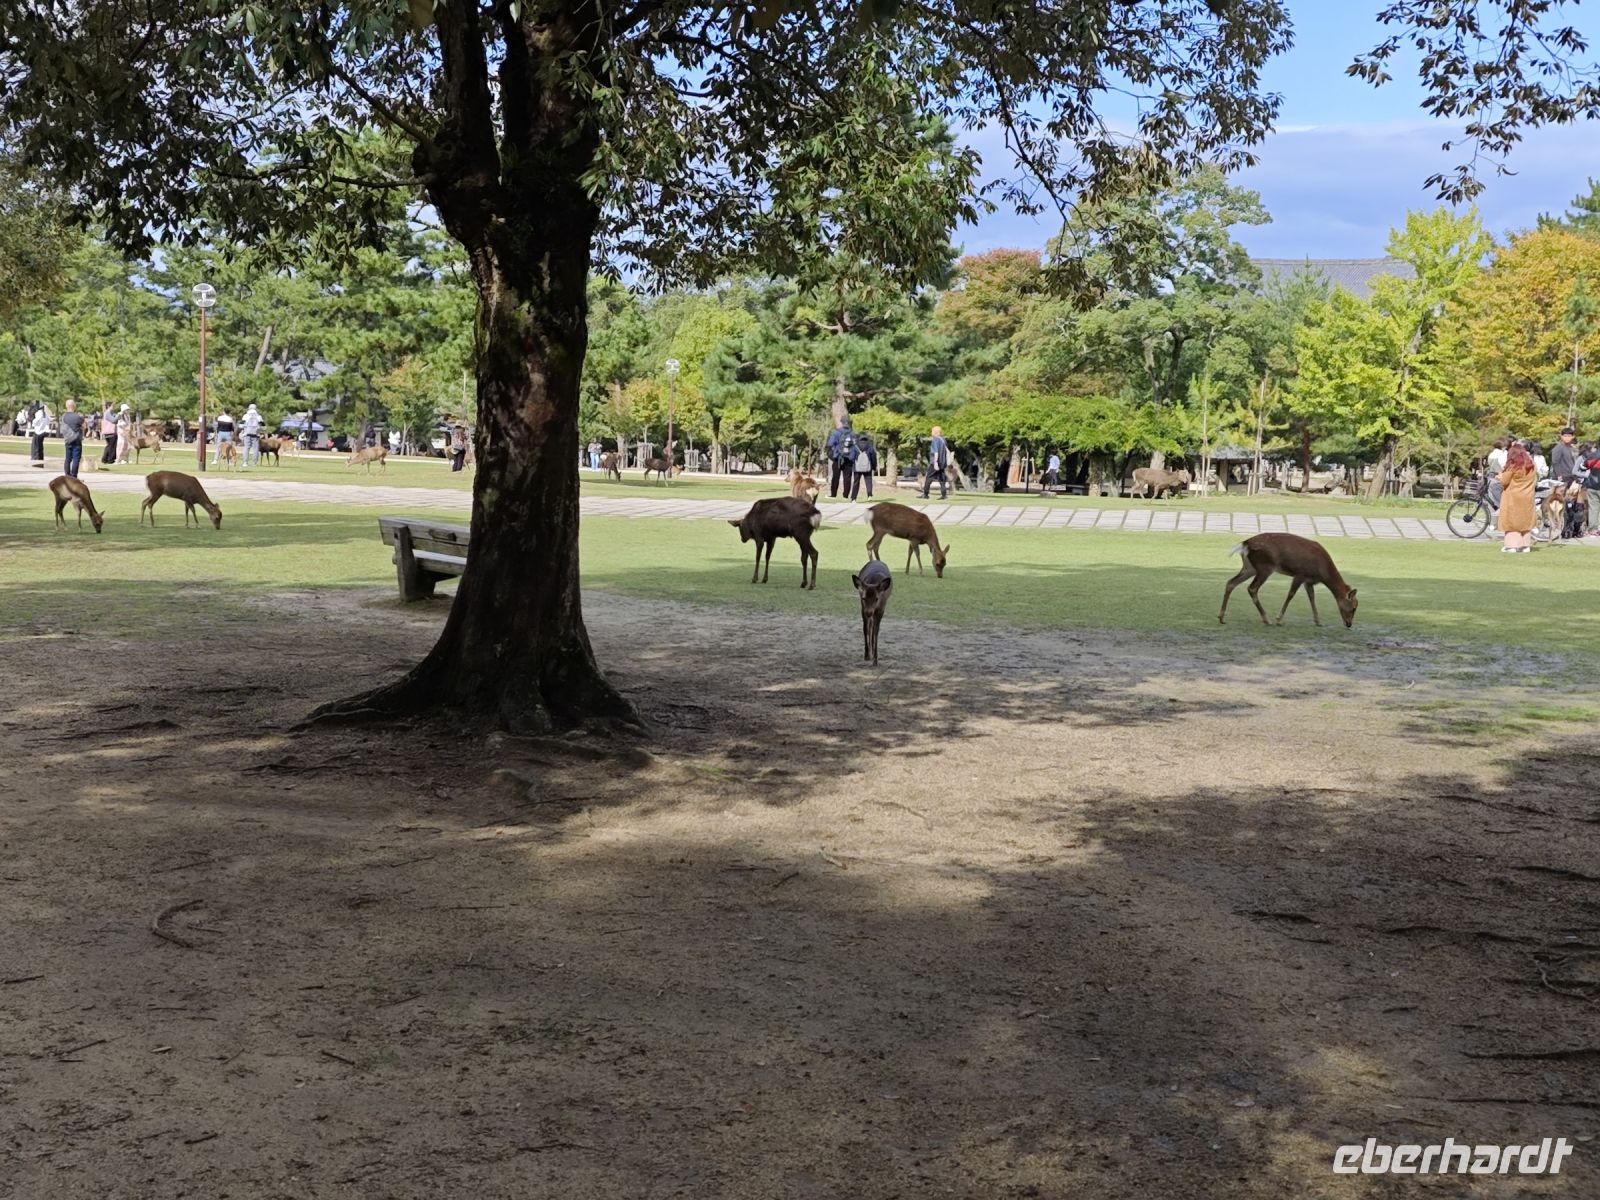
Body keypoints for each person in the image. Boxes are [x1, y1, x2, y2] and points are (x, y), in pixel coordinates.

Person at [1498, 442, 1537, 553]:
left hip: (1513, 497)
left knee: (1512, 522)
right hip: (1527, 497)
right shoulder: (1532, 465)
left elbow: (1504, 481)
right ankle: (1525, 545)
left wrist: (1499, 476)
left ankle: (1512, 545)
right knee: (1525, 522)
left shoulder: (1513, 466)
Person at [824, 416, 854, 499]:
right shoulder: (852, 433)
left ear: (842, 422)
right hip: (849, 458)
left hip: (838, 458)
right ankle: (846, 495)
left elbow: (830, 444)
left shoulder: (836, 432)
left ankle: (833, 494)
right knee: (847, 477)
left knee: (835, 476)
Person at [921, 425, 950, 500]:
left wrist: (935, 462)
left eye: (932, 431)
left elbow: (936, 452)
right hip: (943, 462)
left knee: (929, 477)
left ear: (935, 432)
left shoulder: (935, 440)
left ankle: (925, 494)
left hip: (935, 462)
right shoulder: (943, 440)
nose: (931, 433)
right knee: (942, 479)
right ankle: (944, 495)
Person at [59, 399, 85, 478]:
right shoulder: (78, 416)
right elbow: (83, 425)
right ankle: (74, 476)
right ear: (74, 406)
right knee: (76, 458)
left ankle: (67, 475)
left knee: (68, 458)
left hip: (67, 439)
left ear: (66, 406)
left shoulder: (64, 416)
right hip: (76, 439)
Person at [849, 430, 878, 501]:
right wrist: (874, 467)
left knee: (856, 482)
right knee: (868, 482)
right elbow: (873, 457)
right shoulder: (870, 446)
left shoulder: (855, 446)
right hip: (868, 468)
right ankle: (869, 496)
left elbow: (851, 457)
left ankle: (853, 498)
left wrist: (852, 465)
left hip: (857, 468)